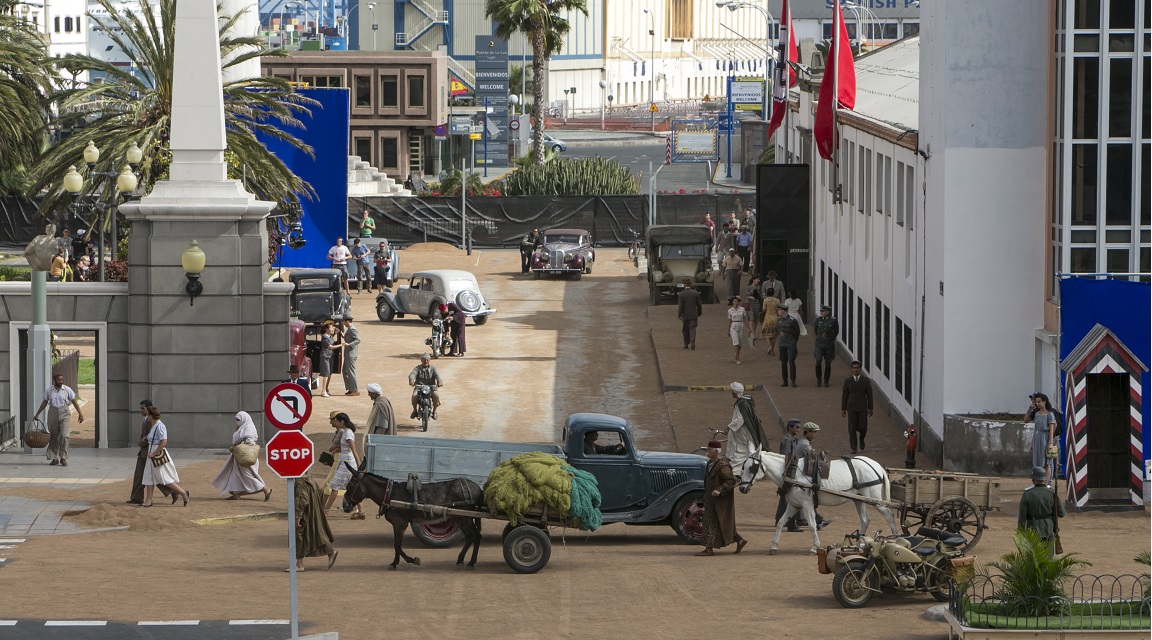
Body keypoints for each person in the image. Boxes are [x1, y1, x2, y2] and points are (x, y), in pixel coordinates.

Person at [696, 440, 747, 556]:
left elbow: (731, 481)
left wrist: (719, 490)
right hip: (710, 498)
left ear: (716, 451)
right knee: (717, 522)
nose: (707, 452)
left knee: (713, 522)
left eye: (709, 450)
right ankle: (739, 540)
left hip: (719, 500)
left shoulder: (723, 466)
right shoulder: (711, 463)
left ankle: (709, 549)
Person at [211, 411, 272, 501]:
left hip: (246, 456)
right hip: (238, 457)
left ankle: (265, 489)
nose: (237, 421)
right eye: (236, 419)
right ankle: (236, 494)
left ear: (244, 419)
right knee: (234, 474)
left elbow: (251, 440)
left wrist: (240, 444)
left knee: (247, 475)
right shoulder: (240, 428)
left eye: (238, 419)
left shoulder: (249, 427)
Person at [139, 406, 190, 507]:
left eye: (148, 414)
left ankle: (183, 492)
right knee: (149, 477)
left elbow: (164, 442)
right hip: (151, 452)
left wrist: (154, 453)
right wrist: (147, 438)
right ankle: (148, 501)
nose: (147, 416)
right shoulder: (154, 425)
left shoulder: (160, 426)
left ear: (152, 416)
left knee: (163, 478)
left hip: (155, 453)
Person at [32, 373, 84, 466]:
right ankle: (54, 458)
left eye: (62, 380)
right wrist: (37, 414)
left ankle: (63, 457)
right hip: (52, 412)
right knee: (53, 436)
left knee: (64, 435)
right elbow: (45, 402)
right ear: (54, 380)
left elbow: (74, 401)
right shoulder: (49, 390)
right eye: (59, 380)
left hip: (64, 412)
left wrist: (80, 414)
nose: (61, 381)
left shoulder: (67, 389)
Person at [321, 413, 364, 519]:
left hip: (347, 463)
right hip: (345, 462)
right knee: (352, 488)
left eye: (336, 421)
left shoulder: (348, 433)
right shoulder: (345, 432)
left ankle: (325, 511)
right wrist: (336, 449)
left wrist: (359, 467)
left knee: (334, 486)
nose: (335, 423)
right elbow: (346, 449)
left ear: (342, 422)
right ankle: (361, 511)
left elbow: (354, 451)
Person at [291, 476, 339, 571]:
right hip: (312, 513)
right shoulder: (310, 479)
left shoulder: (300, 482)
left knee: (299, 535)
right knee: (316, 534)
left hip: (305, 515)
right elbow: (320, 492)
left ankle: (299, 564)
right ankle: (330, 552)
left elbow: (301, 499)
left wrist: (297, 516)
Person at [128, 399, 170, 504]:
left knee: (148, 476)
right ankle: (137, 497)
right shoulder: (146, 420)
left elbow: (158, 439)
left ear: (149, 408)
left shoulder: (152, 422)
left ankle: (175, 491)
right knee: (145, 475)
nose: (140, 410)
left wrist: (142, 443)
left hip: (149, 453)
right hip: (146, 452)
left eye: (143, 408)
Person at [791, 422, 830, 530]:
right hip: (801, 474)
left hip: (801, 472)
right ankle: (818, 521)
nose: (815, 434)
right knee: (810, 496)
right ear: (807, 432)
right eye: (813, 432)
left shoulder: (805, 442)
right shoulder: (805, 444)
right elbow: (813, 459)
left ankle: (817, 520)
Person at [723, 382, 768, 470]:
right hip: (746, 432)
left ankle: (737, 472)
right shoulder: (746, 400)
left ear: (736, 393)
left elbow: (740, 419)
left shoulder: (742, 403)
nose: (731, 393)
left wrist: (728, 427)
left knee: (739, 452)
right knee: (748, 451)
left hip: (742, 434)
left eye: (732, 392)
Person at [1017, 466, 1065, 546]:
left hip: (1032, 530)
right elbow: (1061, 513)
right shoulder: (1052, 493)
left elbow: (1022, 516)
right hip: (1049, 530)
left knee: (1034, 557)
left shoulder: (1027, 494)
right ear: (1044, 479)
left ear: (1033, 480)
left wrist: (1020, 532)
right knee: (1048, 557)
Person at [775, 419, 804, 532]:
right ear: (790, 428)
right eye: (796, 427)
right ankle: (787, 522)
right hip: (788, 471)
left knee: (786, 496)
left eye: (799, 427)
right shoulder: (787, 440)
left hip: (791, 470)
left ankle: (783, 519)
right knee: (787, 496)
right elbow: (785, 457)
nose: (798, 429)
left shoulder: (792, 440)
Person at [841, 360, 874, 453]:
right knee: (852, 428)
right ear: (851, 369)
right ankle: (854, 447)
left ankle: (862, 438)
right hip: (851, 407)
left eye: (857, 368)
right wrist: (843, 409)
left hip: (862, 407)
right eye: (854, 368)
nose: (855, 370)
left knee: (863, 427)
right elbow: (844, 395)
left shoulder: (865, 381)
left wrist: (871, 407)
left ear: (860, 369)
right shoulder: (848, 381)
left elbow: (869, 394)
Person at [1028, 393, 1057, 481]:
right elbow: (1035, 429)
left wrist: (1050, 443)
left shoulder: (1050, 414)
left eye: (1039, 402)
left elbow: (1051, 429)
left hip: (1045, 438)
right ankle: (1037, 482)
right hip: (1037, 438)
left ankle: (1046, 483)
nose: (1037, 404)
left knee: (1046, 463)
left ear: (1044, 402)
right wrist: (1033, 442)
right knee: (1037, 462)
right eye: (1036, 402)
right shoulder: (1036, 414)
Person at [409, 354, 444, 420]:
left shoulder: (433, 368)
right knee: (414, 396)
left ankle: (434, 411)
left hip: (431, 388)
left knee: (436, 396)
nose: (426, 361)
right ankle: (414, 411)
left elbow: (437, 375)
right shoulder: (418, 368)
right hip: (419, 387)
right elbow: (413, 374)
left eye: (427, 360)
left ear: (429, 360)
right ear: (421, 360)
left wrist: (439, 381)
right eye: (424, 360)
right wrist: (411, 380)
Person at [812, 305, 840, 387]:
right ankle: (818, 379)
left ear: (828, 312)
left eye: (823, 311)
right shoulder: (818, 320)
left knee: (828, 363)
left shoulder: (833, 320)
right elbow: (815, 330)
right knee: (818, 360)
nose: (821, 312)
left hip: (829, 345)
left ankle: (826, 380)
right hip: (819, 344)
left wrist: (830, 338)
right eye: (821, 311)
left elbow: (836, 331)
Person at [776, 303, 800, 387]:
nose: (778, 311)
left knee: (791, 361)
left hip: (790, 342)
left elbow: (797, 332)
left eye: (779, 310)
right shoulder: (779, 320)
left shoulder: (792, 320)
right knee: (783, 361)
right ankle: (784, 380)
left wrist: (793, 341)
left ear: (783, 311)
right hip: (782, 342)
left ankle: (793, 380)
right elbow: (778, 329)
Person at [317, 321, 341, 397]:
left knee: (329, 373)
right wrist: (341, 345)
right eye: (330, 327)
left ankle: (326, 389)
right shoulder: (324, 337)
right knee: (326, 374)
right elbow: (329, 347)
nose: (332, 329)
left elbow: (338, 330)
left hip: (330, 356)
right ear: (326, 328)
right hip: (325, 357)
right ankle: (323, 391)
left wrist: (333, 327)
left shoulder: (330, 335)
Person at [677, 278, 702, 350]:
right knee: (692, 328)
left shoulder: (681, 294)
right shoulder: (695, 293)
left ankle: (685, 344)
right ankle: (692, 340)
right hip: (693, 314)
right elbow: (699, 304)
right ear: (690, 285)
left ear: (684, 285)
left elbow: (680, 306)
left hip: (685, 315)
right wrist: (699, 312)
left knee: (685, 329)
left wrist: (679, 314)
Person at [727, 296, 753, 365]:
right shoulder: (730, 310)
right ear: (732, 302)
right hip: (734, 325)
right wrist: (728, 330)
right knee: (736, 342)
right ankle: (738, 358)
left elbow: (745, 319)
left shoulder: (742, 309)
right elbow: (730, 320)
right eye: (735, 301)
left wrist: (749, 328)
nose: (736, 303)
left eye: (737, 301)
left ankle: (736, 352)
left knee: (740, 343)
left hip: (741, 325)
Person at [341, 317, 361, 396]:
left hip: (351, 354)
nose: (343, 323)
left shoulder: (352, 329)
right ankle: (350, 388)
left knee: (351, 371)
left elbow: (358, 340)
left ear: (347, 321)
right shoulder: (349, 329)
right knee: (345, 371)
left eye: (344, 322)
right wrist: (342, 335)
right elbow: (348, 338)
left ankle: (355, 390)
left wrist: (349, 344)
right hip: (348, 354)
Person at [760, 287, 781, 355]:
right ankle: (772, 349)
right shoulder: (777, 300)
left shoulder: (765, 300)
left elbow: (764, 310)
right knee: (774, 334)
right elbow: (778, 309)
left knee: (766, 333)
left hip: (768, 318)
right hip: (775, 317)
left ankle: (770, 346)